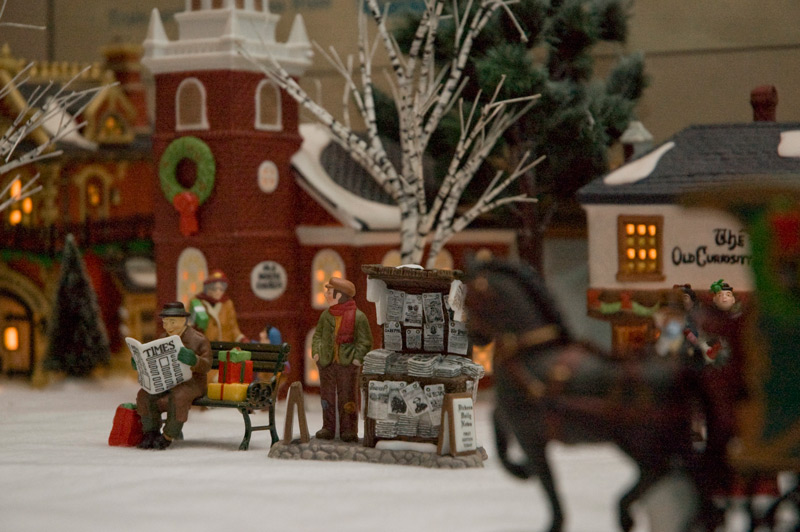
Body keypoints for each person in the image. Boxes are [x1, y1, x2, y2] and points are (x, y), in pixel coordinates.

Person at [136, 302, 212, 450]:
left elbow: (207, 364)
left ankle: (168, 435)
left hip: (191, 383)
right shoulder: (163, 338)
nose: (168, 327)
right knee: (145, 394)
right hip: (167, 380)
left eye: (172, 322)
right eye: (165, 322)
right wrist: (140, 362)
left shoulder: (199, 339)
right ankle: (150, 432)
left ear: (184, 320)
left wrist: (194, 360)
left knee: (178, 396)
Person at [312, 277, 373, 442]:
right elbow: (317, 336)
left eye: (329, 292)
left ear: (339, 295)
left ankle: (349, 429)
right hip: (327, 362)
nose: (325, 295)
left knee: (348, 397)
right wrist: (317, 353)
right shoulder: (326, 316)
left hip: (347, 364)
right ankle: (328, 427)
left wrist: (357, 358)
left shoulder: (359, 317)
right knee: (327, 397)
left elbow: (365, 341)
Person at [191, 269, 246, 342]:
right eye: (214, 288)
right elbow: (188, 324)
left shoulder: (227, 304)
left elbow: (233, 328)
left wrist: (241, 339)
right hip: (205, 346)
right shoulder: (197, 301)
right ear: (207, 288)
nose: (218, 292)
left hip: (224, 345)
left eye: (221, 289)